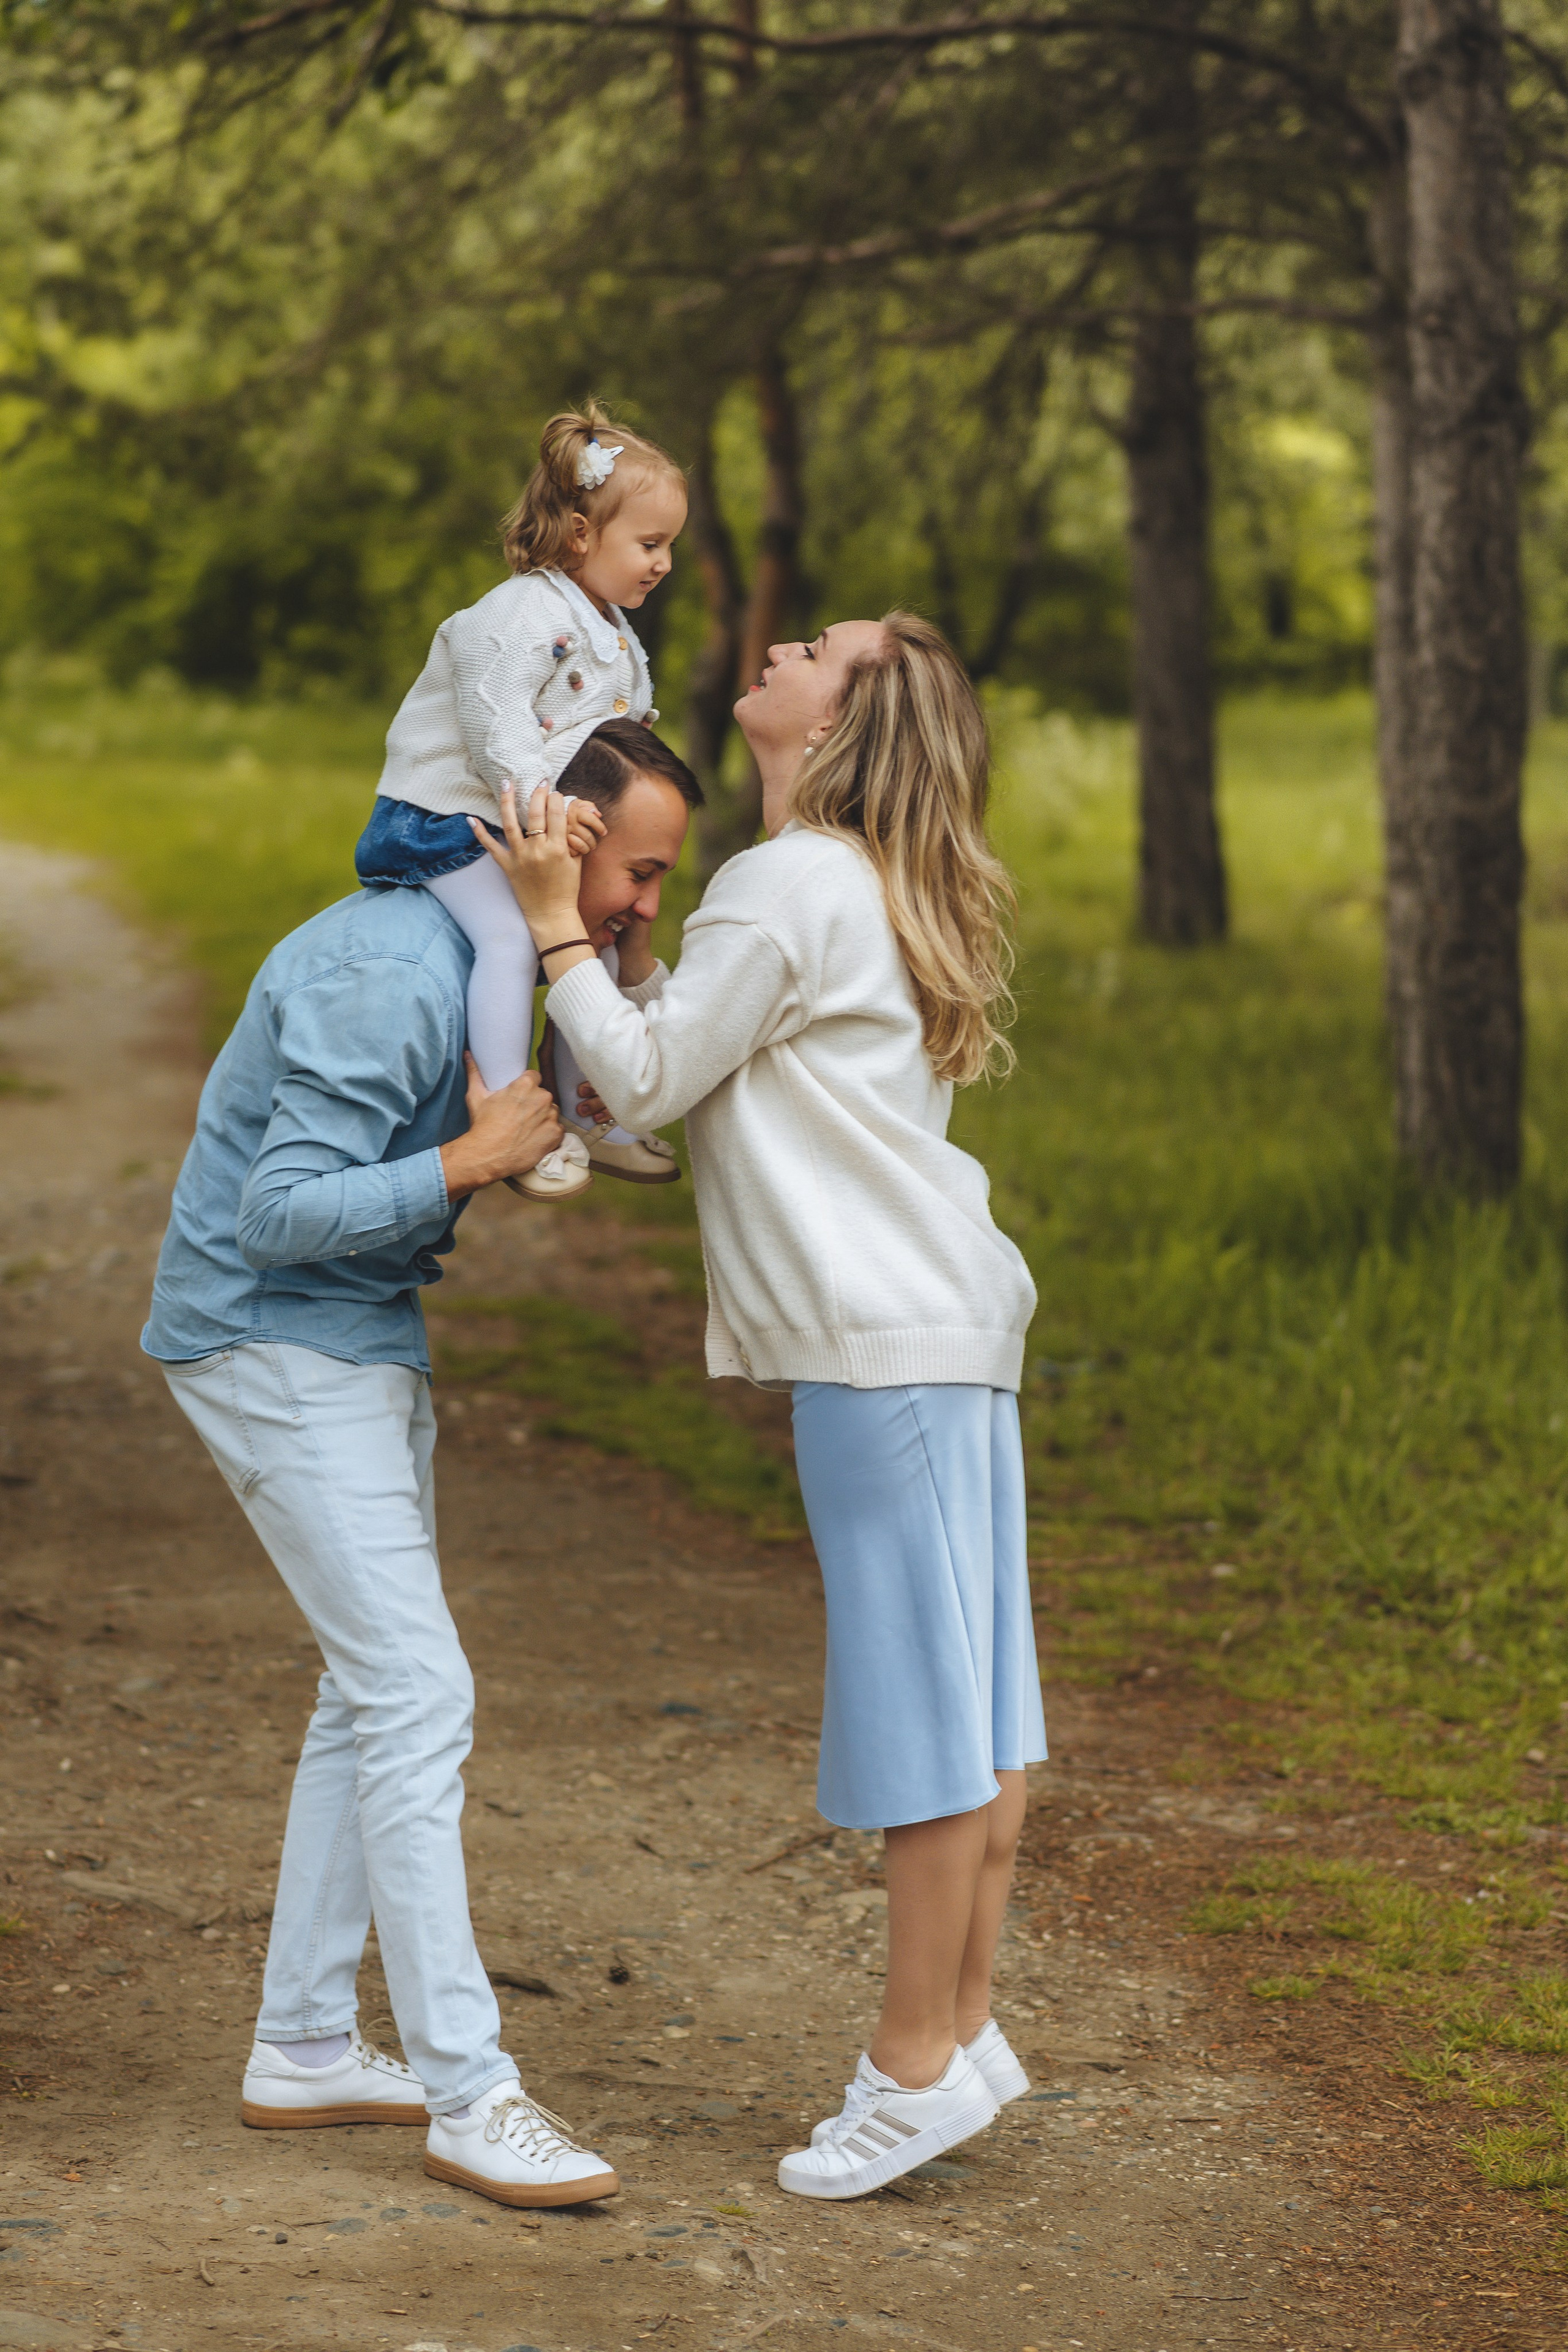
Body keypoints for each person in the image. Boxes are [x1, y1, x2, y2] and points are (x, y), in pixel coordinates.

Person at [483, 611, 1047, 2202]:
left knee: (925, 1728)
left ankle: (911, 2068)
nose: (782, 643)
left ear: (845, 718)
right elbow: (682, 1072)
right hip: (949, 1338)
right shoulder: (860, 882)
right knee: (980, 1710)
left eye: (820, 646)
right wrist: (625, 976)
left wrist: (555, 928)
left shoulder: (788, 878)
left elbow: (645, 1091)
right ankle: (967, 2026)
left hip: (885, 1357)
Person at [141, 723, 700, 2208]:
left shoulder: (494, 964)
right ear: (558, 837)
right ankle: (471, 2090)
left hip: (358, 1329)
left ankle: (307, 2044)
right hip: (268, 1334)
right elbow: (274, 1216)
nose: (649, 904)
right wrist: (461, 1164)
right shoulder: (389, 972)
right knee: (416, 1690)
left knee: (367, 1685)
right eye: (639, 870)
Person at [354, 400, 689, 1200]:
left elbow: (613, 734)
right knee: (512, 937)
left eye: (670, 545)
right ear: (581, 534)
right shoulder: (517, 617)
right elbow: (494, 726)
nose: (665, 563)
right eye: (651, 544)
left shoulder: (606, 626)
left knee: (591, 948)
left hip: (524, 820)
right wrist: (545, 803)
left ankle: (589, 1114)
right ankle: (510, 1116)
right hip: (443, 821)